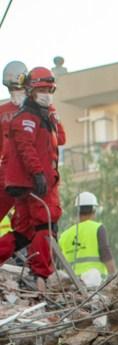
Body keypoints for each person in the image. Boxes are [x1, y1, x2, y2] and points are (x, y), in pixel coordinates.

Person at [0, 66, 64, 292]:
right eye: (42, 89)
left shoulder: (42, 115)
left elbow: (61, 138)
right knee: (44, 224)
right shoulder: (26, 116)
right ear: (31, 91)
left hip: (24, 181)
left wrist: (52, 117)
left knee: (24, 233)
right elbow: (27, 148)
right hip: (34, 182)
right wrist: (38, 173)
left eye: (49, 89)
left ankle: (40, 273)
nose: (47, 93)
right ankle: (41, 277)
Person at [58, 191, 114, 279]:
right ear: (94, 209)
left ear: (77, 211)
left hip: (73, 286)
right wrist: (114, 276)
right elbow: (105, 253)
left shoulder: (65, 235)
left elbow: (59, 264)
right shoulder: (98, 228)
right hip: (96, 284)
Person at [0, 61, 27, 232]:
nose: (14, 92)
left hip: (31, 173)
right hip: (7, 173)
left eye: (16, 87)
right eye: (10, 89)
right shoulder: (2, 112)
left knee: (31, 221)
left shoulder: (36, 109)